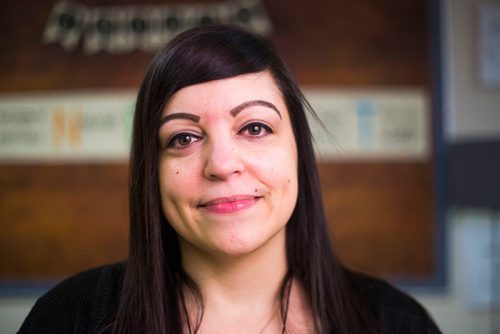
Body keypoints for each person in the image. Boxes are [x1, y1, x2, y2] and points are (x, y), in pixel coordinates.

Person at [19, 24, 441, 334]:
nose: (222, 164)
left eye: (255, 128)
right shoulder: (68, 319)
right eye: (183, 137)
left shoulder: (398, 323)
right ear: (152, 172)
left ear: (298, 150)